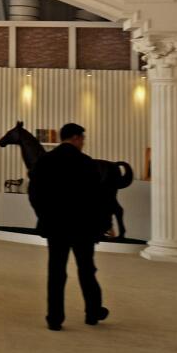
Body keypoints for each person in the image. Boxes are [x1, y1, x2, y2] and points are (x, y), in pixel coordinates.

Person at [28, 122, 110, 331]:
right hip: (83, 227)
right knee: (86, 269)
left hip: (55, 226)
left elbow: (34, 193)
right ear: (75, 138)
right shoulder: (87, 163)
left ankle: (54, 318)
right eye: (82, 139)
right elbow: (98, 197)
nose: (83, 143)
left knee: (56, 271)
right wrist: (104, 224)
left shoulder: (44, 162)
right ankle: (92, 312)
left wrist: (44, 216)